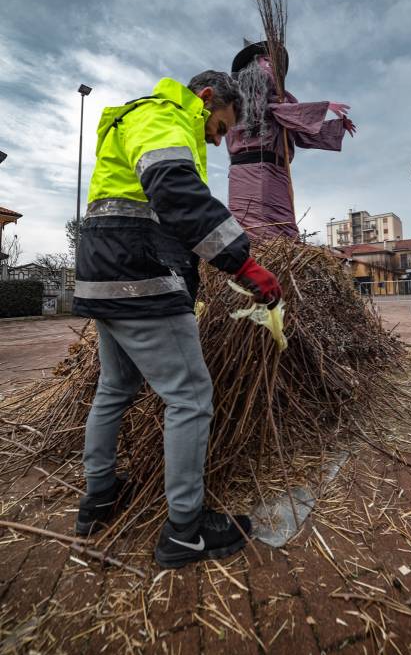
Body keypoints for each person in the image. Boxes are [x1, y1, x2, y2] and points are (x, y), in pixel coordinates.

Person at [72, 71, 282, 569]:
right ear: (206, 98)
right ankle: (184, 532)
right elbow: (175, 193)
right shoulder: (164, 116)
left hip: (105, 274)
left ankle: (98, 497)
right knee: (189, 397)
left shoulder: (136, 119)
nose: (219, 138)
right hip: (141, 275)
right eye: (221, 125)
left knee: (115, 387)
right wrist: (244, 263)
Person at [227, 40, 356, 238]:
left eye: (274, 63)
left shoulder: (281, 101)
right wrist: (323, 106)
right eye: (266, 61)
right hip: (252, 171)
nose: (271, 66)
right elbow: (275, 111)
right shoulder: (242, 95)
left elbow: (298, 127)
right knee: (257, 230)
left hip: (276, 171)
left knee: (282, 226)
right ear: (253, 65)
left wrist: (334, 126)